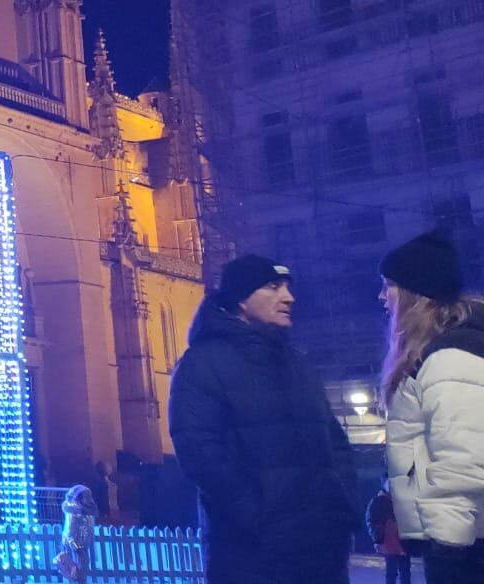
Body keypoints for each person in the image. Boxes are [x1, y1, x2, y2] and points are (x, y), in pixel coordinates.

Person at [168, 254, 357, 584]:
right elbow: (199, 450)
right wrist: (255, 513)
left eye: (287, 287)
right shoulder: (203, 364)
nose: (288, 297)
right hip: (251, 553)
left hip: (322, 548)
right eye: (273, 287)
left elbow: (334, 441)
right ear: (242, 299)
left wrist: (340, 506)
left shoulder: (297, 363)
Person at [378, 230, 484, 584]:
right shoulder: (437, 353)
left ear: (415, 295)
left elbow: (461, 461)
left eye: (389, 286)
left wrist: (448, 549)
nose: (382, 297)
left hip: (464, 548)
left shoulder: (449, 356)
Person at [367, 481, 412, 584]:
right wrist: (377, 537)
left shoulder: (404, 499)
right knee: (391, 573)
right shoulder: (378, 501)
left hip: (403, 542)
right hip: (389, 543)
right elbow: (371, 520)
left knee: (405, 573)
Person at [60, 484, 97, 582]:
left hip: (83, 545)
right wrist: (76, 546)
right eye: (86, 497)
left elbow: (89, 528)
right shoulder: (74, 513)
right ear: (79, 498)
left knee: (83, 568)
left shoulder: (87, 512)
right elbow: (70, 533)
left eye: (90, 496)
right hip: (75, 546)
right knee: (76, 570)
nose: (90, 499)